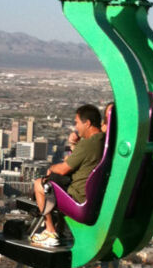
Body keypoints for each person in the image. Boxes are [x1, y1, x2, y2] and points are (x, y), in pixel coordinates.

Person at [31, 104, 104, 248]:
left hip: (78, 196)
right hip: (94, 195)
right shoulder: (102, 140)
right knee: (51, 179)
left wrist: (51, 168)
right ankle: (59, 229)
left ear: (87, 123)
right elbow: (84, 160)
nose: (76, 127)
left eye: (77, 122)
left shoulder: (88, 145)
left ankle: (50, 232)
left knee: (40, 184)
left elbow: (64, 169)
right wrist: (74, 145)